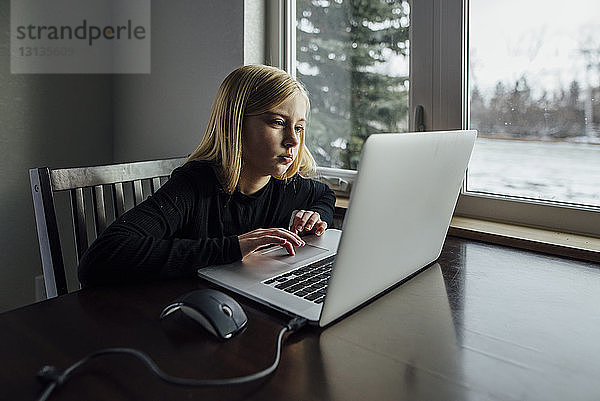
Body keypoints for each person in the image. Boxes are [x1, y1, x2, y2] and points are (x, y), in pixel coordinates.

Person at [78, 65, 336, 286]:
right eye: (277, 122)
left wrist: (316, 215)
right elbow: (99, 258)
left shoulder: (286, 186)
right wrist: (233, 247)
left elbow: (324, 194)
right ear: (234, 124)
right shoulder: (194, 185)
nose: (293, 140)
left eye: (299, 128)